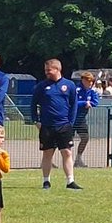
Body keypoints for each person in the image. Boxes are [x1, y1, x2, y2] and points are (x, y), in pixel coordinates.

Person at [31, 59, 81, 189]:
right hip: (47, 126)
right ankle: (46, 181)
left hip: (64, 125)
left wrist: (70, 122)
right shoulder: (41, 86)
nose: (47, 72)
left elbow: (74, 105)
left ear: (57, 69)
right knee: (47, 153)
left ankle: (70, 181)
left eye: (49, 70)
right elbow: (33, 104)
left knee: (67, 152)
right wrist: (35, 120)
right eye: (46, 70)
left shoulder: (69, 85)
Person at [74, 72, 100, 168]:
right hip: (71, 119)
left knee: (85, 138)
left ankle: (78, 159)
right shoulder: (76, 90)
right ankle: (49, 159)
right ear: (83, 80)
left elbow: (95, 102)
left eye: (91, 81)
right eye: (88, 81)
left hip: (81, 119)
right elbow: (73, 102)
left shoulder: (92, 91)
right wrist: (84, 103)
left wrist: (90, 103)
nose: (90, 83)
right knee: (64, 140)